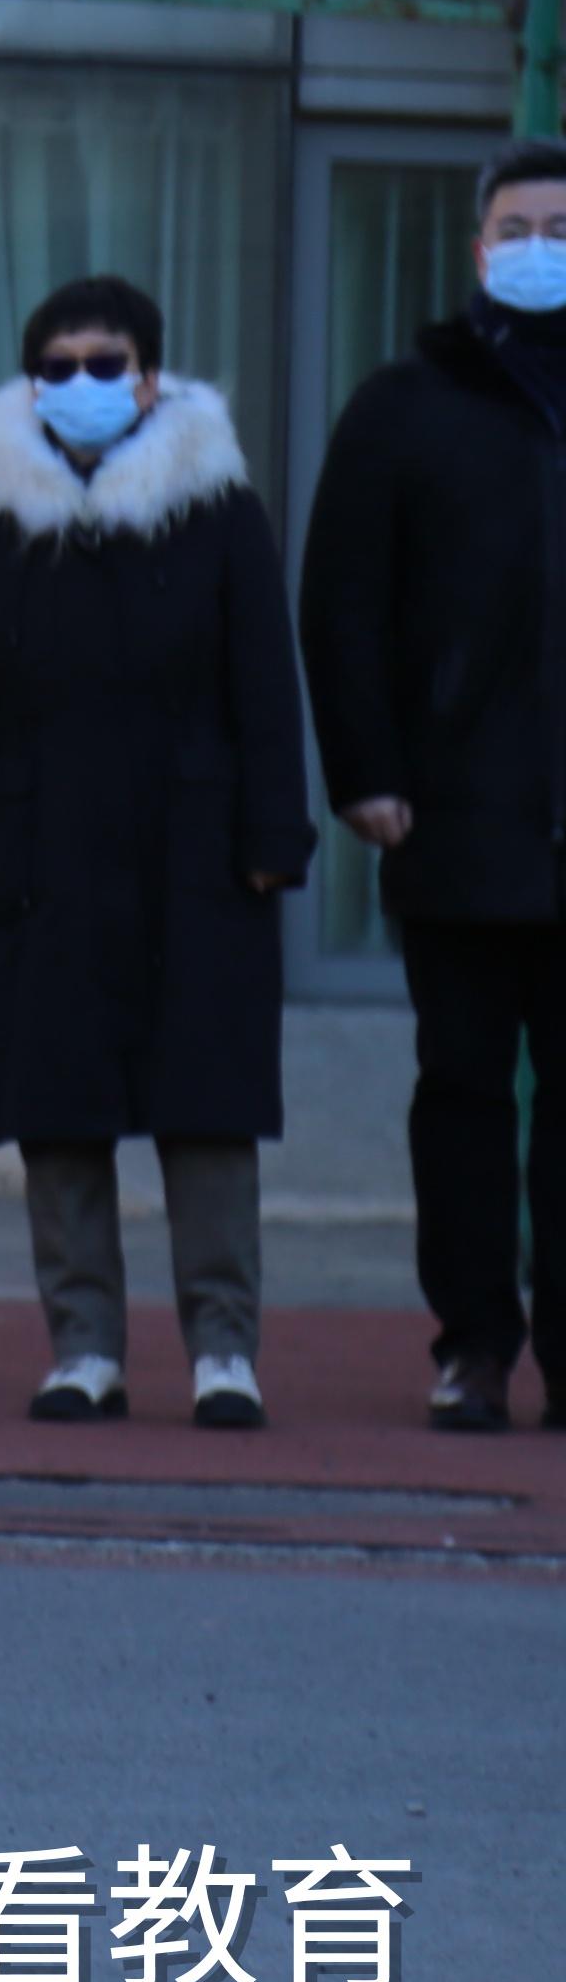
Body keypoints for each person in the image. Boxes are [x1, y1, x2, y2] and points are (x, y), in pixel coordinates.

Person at [0, 275, 302, 1430]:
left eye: (108, 360)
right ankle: (83, 1347)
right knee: (60, 1106)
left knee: (209, 1104)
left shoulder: (220, 508)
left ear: (151, 375)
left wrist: (275, 837)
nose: (83, 382)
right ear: (29, 383)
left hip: (201, 847)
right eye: (59, 364)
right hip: (43, 849)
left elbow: (265, 685)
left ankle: (223, 1349)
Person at [300, 141, 566, 1436]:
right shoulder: (405, 405)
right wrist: (367, 777)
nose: (537, 243)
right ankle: (471, 1346)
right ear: (478, 251)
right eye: (517, 224)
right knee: (460, 1099)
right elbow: (341, 605)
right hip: (455, 824)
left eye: (560, 224)